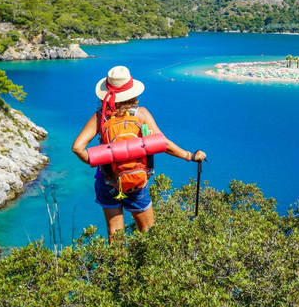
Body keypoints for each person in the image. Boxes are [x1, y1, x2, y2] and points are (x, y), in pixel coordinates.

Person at [72, 66, 206, 240]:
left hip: (108, 182)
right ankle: (148, 266)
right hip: (137, 181)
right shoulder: (141, 114)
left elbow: (77, 147)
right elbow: (163, 144)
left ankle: (118, 267)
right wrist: (190, 156)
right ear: (132, 93)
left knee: (115, 234)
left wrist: (100, 159)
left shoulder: (100, 117)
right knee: (148, 232)